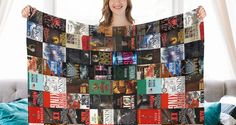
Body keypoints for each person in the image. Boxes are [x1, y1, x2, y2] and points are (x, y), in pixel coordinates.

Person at [22, 1, 206, 31]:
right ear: (107, 3)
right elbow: (63, 27)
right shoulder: (98, 30)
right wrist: (33, 15)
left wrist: (195, 17)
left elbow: (171, 28)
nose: (117, 2)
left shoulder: (138, 30)